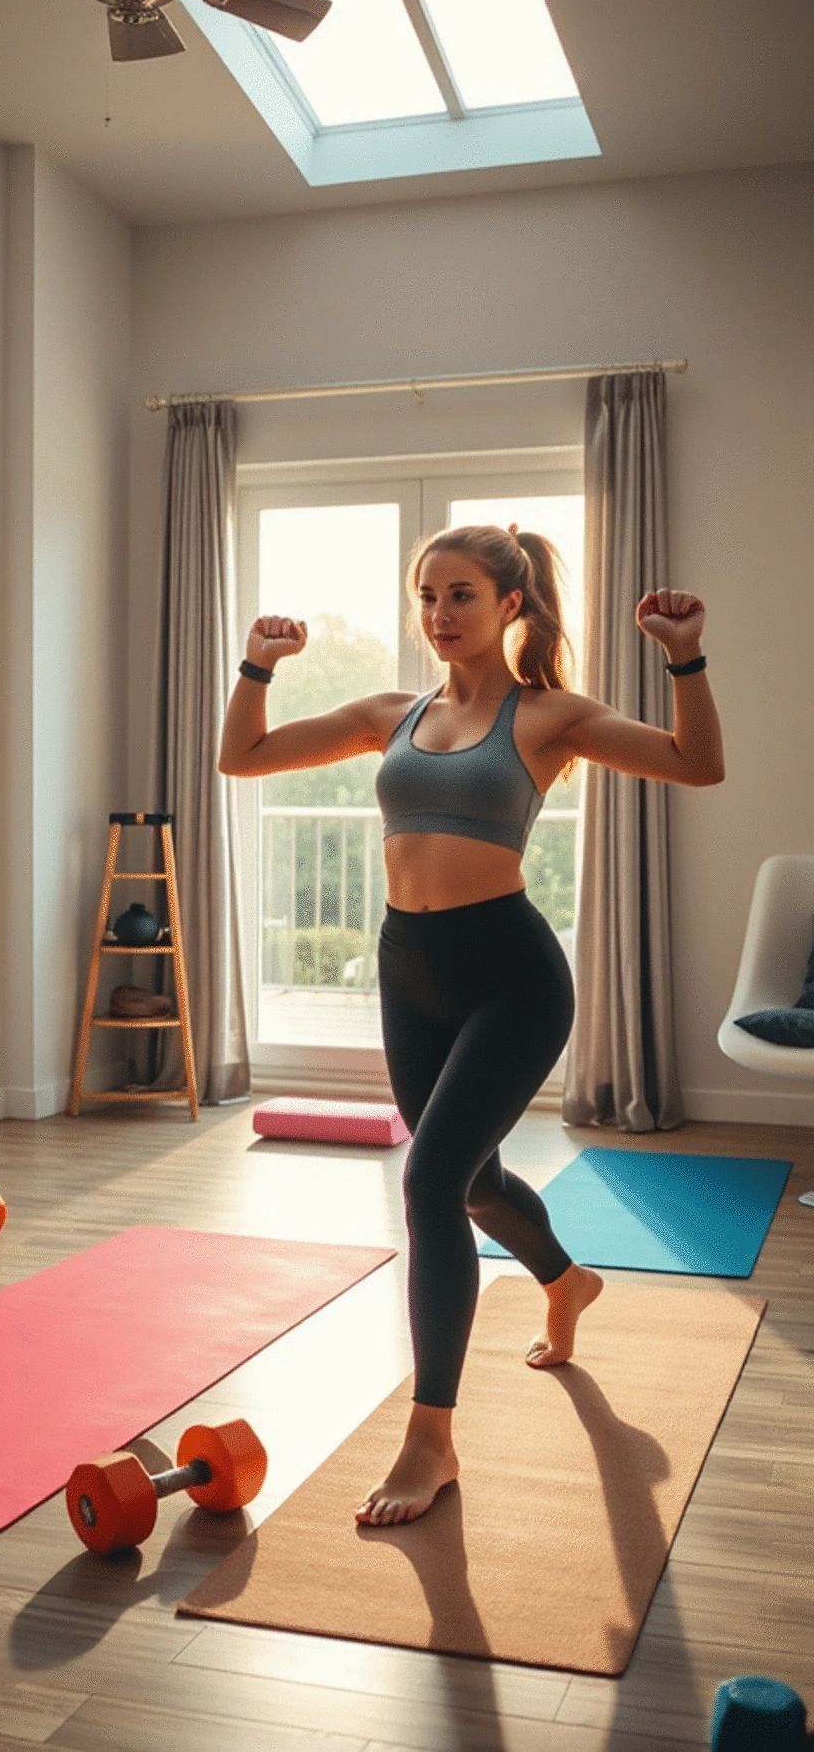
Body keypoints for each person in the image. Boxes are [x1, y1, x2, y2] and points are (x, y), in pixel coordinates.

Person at [217, 523, 725, 1527]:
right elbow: (243, 756)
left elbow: (695, 764)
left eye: (460, 594)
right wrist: (257, 664)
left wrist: (685, 658)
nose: (440, 614)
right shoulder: (387, 713)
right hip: (409, 971)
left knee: (426, 1179)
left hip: (511, 977)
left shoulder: (548, 715)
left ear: (510, 604)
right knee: (473, 1179)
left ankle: (430, 1435)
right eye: (427, 596)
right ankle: (565, 1278)